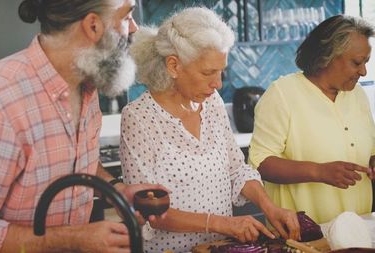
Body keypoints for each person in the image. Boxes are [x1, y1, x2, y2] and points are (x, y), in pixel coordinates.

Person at [0, 1, 168, 252]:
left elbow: (74, 162)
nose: (134, 27)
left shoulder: (86, 86)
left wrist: (116, 190)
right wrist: (74, 238)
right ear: (92, 25)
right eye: (127, 16)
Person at [120, 7, 300, 253]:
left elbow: (236, 170)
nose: (218, 83)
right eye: (208, 72)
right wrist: (221, 224)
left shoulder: (212, 101)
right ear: (173, 66)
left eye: (221, 71)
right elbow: (149, 211)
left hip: (219, 248)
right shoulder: (139, 118)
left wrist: (270, 206)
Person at [248, 14, 375, 225]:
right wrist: (319, 171)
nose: (363, 71)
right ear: (328, 56)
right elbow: (260, 163)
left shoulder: (357, 95)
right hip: (303, 235)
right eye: (357, 63)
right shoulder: (282, 94)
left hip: (358, 230)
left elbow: (369, 150)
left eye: (366, 62)